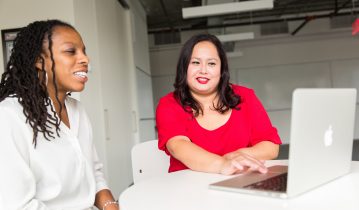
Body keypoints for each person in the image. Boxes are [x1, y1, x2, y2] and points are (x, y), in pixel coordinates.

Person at [0, 20, 119, 210]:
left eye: (84, 51)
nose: (85, 59)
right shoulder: (8, 116)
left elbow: (94, 175)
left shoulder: (77, 110)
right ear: (39, 61)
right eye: (71, 51)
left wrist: (111, 206)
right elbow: (18, 206)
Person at [156, 34, 282, 175]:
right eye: (195, 62)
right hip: (188, 189)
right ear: (184, 67)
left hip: (239, 183)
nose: (203, 70)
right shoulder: (169, 104)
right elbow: (178, 146)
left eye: (211, 63)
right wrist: (223, 164)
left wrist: (235, 157)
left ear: (221, 70)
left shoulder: (246, 97)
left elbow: (270, 147)